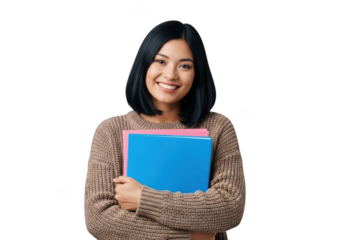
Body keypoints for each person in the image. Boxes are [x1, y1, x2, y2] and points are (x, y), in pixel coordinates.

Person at [84, 20, 246, 240]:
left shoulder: (218, 127)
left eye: (185, 65)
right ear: (144, 64)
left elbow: (230, 208)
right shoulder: (109, 132)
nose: (171, 75)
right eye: (160, 61)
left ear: (197, 73)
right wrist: (193, 236)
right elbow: (100, 219)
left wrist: (143, 199)